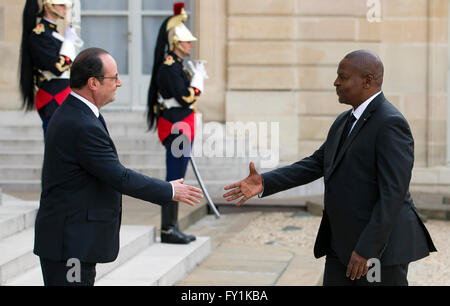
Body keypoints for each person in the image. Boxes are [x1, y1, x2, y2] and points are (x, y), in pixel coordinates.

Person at [223, 50, 437, 286]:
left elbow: (392, 195)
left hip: (378, 251)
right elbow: (316, 163)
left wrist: (367, 250)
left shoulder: (390, 123)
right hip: (341, 245)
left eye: (342, 77)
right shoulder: (344, 121)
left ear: (367, 81)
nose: (335, 82)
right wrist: (266, 182)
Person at [33, 47, 204, 286]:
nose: (120, 83)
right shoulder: (80, 123)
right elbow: (118, 175)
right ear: (93, 82)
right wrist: (169, 191)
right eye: (113, 78)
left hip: (72, 239)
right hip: (69, 244)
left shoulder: (80, 113)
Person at [146, 2, 207, 244]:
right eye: (187, 42)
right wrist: (198, 83)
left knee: (179, 175)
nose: (191, 45)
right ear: (176, 44)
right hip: (175, 127)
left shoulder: (179, 65)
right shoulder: (169, 68)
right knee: (175, 177)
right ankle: (168, 229)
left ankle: (172, 226)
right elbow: (185, 97)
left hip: (181, 125)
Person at [19, 0, 82, 136]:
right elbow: (58, 68)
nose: (64, 9)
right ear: (48, 7)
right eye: (60, 5)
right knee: (56, 146)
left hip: (64, 94)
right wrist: (69, 42)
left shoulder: (53, 33)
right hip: (53, 97)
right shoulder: (40, 35)